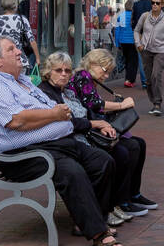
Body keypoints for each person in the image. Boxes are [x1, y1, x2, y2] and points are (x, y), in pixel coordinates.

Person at [0, 37, 124, 246]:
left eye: (16, 47)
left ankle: (90, 221)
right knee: (73, 172)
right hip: (22, 156)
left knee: (103, 161)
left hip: (54, 144)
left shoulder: (21, 81)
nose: (18, 51)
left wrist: (60, 117)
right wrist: (53, 114)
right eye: (11, 49)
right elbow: (16, 121)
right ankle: (99, 234)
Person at [50, 49, 156, 216]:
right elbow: (95, 104)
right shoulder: (83, 76)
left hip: (90, 127)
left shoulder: (87, 79)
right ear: (93, 64)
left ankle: (132, 195)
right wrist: (122, 105)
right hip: (86, 131)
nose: (106, 76)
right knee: (129, 148)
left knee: (138, 144)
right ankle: (122, 200)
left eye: (109, 72)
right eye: (105, 70)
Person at [134, 0, 164, 116]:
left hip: (161, 51)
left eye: (157, 3)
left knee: (155, 75)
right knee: (148, 80)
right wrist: (138, 44)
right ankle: (153, 102)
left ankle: (157, 103)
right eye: (153, 3)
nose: (155, 5)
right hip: (146, 50)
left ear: (162, 5)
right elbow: (136, 30)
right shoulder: (145, 16)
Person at [0, 0, 40, 76]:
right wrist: (38, 58)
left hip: (1, 60)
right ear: (15, 5)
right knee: (20, 86)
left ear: (2, 5)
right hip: (19, 59)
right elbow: (31, 40)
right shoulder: (22, 19)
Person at [130, 0, 155, 92]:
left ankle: (145, 82)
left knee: (141, 59)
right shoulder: (153, 5)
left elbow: (132, 21)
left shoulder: (136, 5)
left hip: (139, 35)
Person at [113, 5, 138, 87]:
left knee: (127, 60)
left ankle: (127, 78)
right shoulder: (134, 16)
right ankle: (130, 80)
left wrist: (117, 43)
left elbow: (117, 30)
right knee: (133, 61)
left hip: (123, 42)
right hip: (132, 42)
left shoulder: (120, 16)